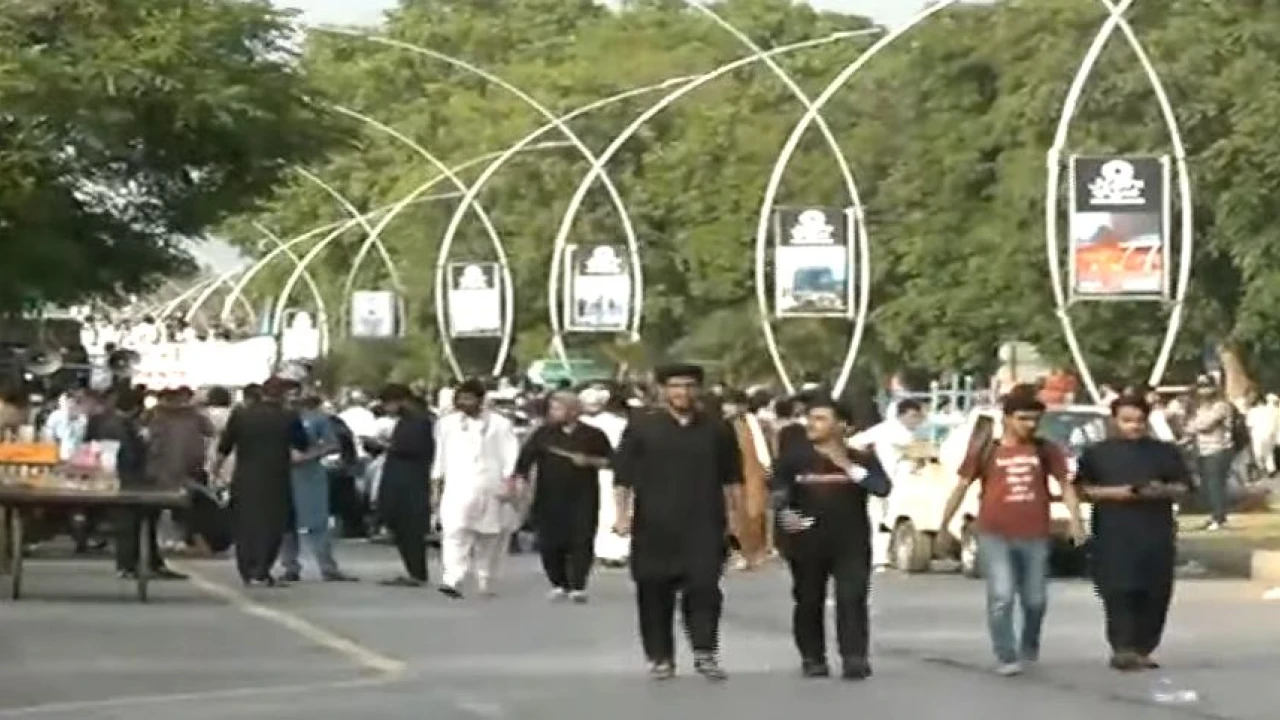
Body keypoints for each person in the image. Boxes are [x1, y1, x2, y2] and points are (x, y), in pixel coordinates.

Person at [939, 389, 1087, 676]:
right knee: (1002, 595)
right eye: (1023, 419)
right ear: (1007, 419)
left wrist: (1075, 520)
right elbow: (961, 486)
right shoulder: (987, 450)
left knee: (1035, 599)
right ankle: (1006, 654)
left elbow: (1065, 485)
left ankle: (1029, 646)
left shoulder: (1045, 449)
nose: (1030, 425)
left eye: (1035, 419)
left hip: (1035, 533)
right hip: (995, 533)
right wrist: (945, 524)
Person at [612, 363, 742, 681]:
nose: (682, 393)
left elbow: (732, 480)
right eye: (675, 386)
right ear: (662, 390)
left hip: (704, 523)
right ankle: (659, 657)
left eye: (688, 386)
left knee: (704, 590)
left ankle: (705, 652)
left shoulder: (717, 428)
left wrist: (735, 521)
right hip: (654, 524)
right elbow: (623, 477)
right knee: (654, 592)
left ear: (698, 389)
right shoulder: (642, 426)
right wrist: (621, 515)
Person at [772, 397, 890, 679]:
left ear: (842, 426)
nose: (812, 424)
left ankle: (854, 656)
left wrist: (847, 466)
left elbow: (882, 488)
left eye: (821, 418)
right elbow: (778, 493)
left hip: (851, 541)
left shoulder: (862, 458)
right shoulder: (793, 459)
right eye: (810, 418)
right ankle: (813, 658)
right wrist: (784, 512)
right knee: (809, 600)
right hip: (806, 543)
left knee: (852, 598)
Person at [1073, 394, 1190, 671]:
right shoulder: (1097, 453)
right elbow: (1081, 490)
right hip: (1113, 533)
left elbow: (1184, 487)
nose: (1133, 427)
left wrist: (1160, 490)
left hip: (1155, 533)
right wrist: (1117, 493)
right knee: (1118, 591)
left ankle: (1143, 648)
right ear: (1114, 421)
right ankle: (1122, 648)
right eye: (1127, 421)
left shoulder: (1165, 452)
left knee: (1155, 593)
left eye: (1139, 421)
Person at [514, 391, 612, 602]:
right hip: (549, 495)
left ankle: (578, 585)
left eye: (558, 409)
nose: (553, 413)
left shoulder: (593, 435)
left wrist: (589, 461)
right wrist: (519, 483)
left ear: (574, 411)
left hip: (583, 495)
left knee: (582, 538)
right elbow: (525, 460)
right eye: (552, 409)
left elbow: (611, 461)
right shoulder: (543, 434)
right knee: (550, 541)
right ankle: (558, 583)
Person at [213, 377, 310, 587]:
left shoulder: (241, 414)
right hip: (276, 477)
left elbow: (225, 446)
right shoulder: (288, 416)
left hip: (245, 477)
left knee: (245, 524)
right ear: (282, 394)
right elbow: (302, 444)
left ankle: (247, 568)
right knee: (272, 525)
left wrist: (215, 471)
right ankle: (261, 569)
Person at [432, 379, 520, 598]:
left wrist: (509, 483)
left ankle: (485, 578)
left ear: (481, 400)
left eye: (470, 398)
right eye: (461, 398)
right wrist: (435, 487)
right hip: (456, 487)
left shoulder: (500, 424)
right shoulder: (447, 423)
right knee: (454, 532)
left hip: (491, 486)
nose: (464, 402)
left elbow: (511, 455)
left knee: (488, 537)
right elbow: (440, 457)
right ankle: (453, 578)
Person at [280, 394, 357, 583]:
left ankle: (327, 567)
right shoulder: (277, 418)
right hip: (282, 475)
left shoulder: (317, 419)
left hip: (310, 476)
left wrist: (309, 455)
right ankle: (290, 566)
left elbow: (333, 444)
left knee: (317, 522)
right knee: (286, 523)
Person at [112, 388, 185, 580]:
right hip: (131, 481)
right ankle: (138, 563)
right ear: (136, 408)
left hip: (122, 480)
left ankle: (135, 563)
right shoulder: (126, 427)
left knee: (133, 523)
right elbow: (131, 456)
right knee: (139, 521)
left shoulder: (113, 422)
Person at [849, 399, 925, 569]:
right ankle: (878, 557)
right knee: (879, 518)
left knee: (884, 518)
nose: (916, 420)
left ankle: (882, 556)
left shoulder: (897, 432)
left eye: (918, 416)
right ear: (901, 415)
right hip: (886, 480)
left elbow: (855, 442)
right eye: (913, 415)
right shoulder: (891, 430)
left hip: (895, 481)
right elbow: (854, 443)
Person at [375, 384, 437, 587]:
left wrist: (386, 446)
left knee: (410, 527)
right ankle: (413, 571)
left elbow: (414, 448)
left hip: (410, 481)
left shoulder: (419, 420)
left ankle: (417, 573)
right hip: (401, 477)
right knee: (400, 525)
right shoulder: (407, 420)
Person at [723, 390, 773, 571]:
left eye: (731, 404)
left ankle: (755, 552)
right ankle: (738, 553)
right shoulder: (721, 426)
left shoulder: (757, 425)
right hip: (732, 476)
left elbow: (769, 447)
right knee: (734, 514)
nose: (727, 408)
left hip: (753, 472)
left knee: (755, 512)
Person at [1186, 376, 1235, 530]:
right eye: (1200, 386)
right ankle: (1215, 515)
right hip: (1203, 449)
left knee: (1216, 485)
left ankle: (1219, 517)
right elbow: (1189, 425)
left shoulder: (1221, 405)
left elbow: (1204, 424)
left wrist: (1193, 426)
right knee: (1207, 485)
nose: (1203, 389)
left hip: (1218, 449)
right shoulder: (1199, 407)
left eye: (1206, 385)